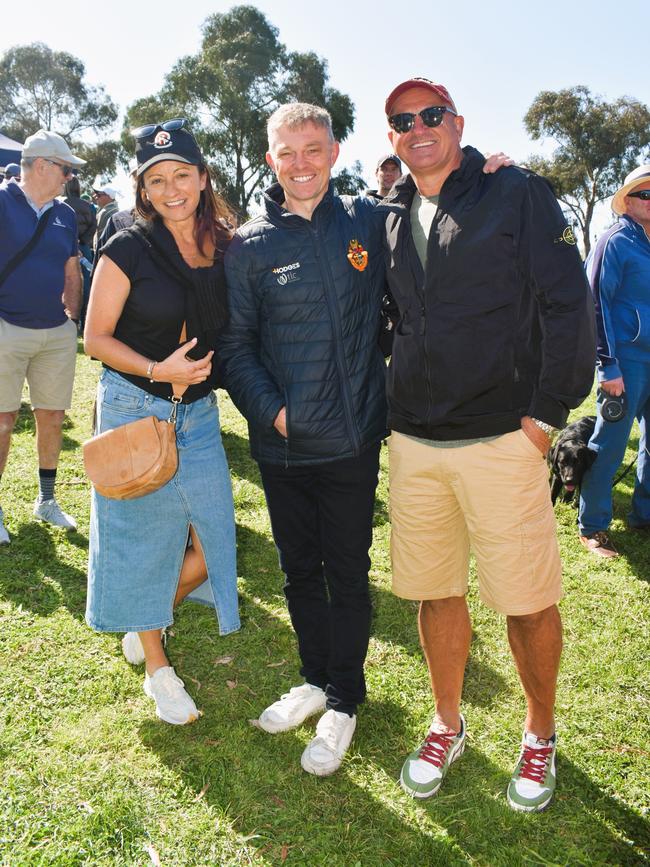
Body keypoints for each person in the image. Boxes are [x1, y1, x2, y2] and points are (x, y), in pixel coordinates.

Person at [380, 77, 595, 811]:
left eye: (431, 114)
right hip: (413, 441)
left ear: (457, 121)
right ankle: (447, 720)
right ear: (393, 138)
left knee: (526, 598)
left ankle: (539, 732)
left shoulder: (516, 192)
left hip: (505, 434)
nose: (419, 127)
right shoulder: (390, 214)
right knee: (435, 590)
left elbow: (570, 301)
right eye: (403, 120)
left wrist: (545, 414)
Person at [84, 120, 239, 725]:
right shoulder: (127, 246)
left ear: (203, 177)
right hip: (133, 406)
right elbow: (94, 337)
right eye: (157, 179)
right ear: (143, 190)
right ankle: (158, 669)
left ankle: (146, 614)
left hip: (198, 414)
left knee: (216, 537)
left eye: (182, 174)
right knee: (142, 538)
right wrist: (157, 369)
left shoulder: (228, 246)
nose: (171, 188)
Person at [0, 129, 84, 545]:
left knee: (51, 416)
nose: (69, 176)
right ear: (42, 166)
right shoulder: (0, 201)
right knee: (2, 420)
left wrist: (72, 319)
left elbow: (72, 271)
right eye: (66, 169)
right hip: (5, 327)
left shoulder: (66, 214)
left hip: (55, 332)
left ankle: (47, 499)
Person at [578, 164, 650, 556]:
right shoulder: (615, 241)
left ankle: (644, 515)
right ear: (628, 200)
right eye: (645, 194)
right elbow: (593, 303)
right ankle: (593, 526)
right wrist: (608, 365)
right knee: (609, 444)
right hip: (625, 364)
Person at [91, 178, 119, 251]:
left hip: (105, 251)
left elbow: (101, 236)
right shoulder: (114, 209)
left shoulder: (106, 212)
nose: (95, 197)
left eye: (99, 195)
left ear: (109, 196)